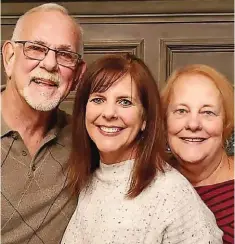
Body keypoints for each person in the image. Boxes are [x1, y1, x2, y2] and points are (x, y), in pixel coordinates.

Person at [61, 54, 222, 243]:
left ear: (144, 118)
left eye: (125, 102)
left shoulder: (171, 193)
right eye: (98, 99)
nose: (109, 113)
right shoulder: (90, 181)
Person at [1, 3, 86, 244]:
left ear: (78, 74)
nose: (50, 64)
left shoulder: (86, 140)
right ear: (9, 56)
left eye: (65, 55)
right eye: (36, 48)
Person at [161, 64, 234, 244]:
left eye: (207, 112)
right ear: (165, 121)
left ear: (226, 123)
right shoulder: (152, 181)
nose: (193, 124)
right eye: (181, 111)